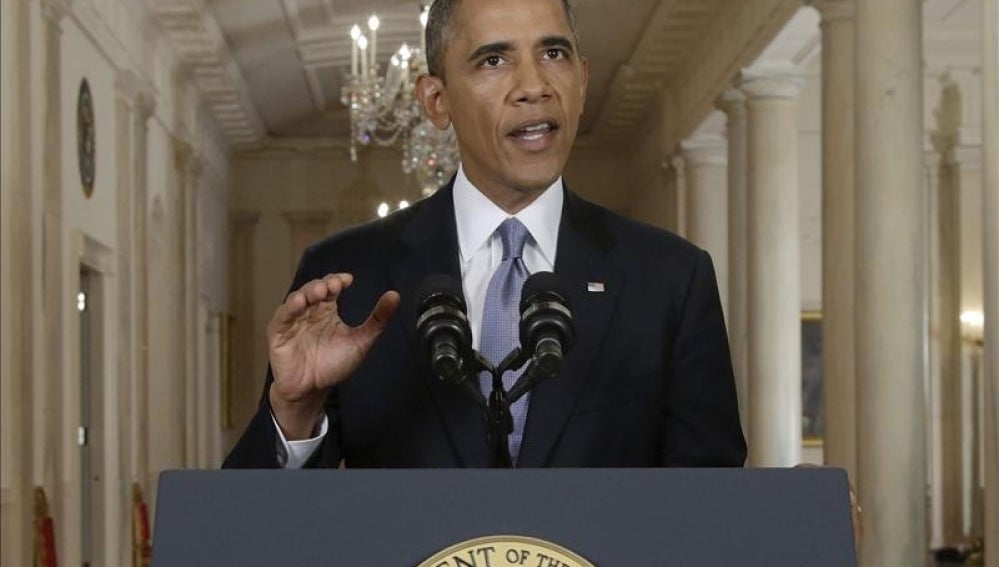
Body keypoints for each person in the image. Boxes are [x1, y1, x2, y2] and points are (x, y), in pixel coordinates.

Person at [223, 0, 746, 469]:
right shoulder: (349, 277)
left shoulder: (671, 278)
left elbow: (709, 511)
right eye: (494, 60)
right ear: (436, 100)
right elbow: (252, 531)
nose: (534, 86)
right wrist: (293, 413)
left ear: (582, 81)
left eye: (554, 54)